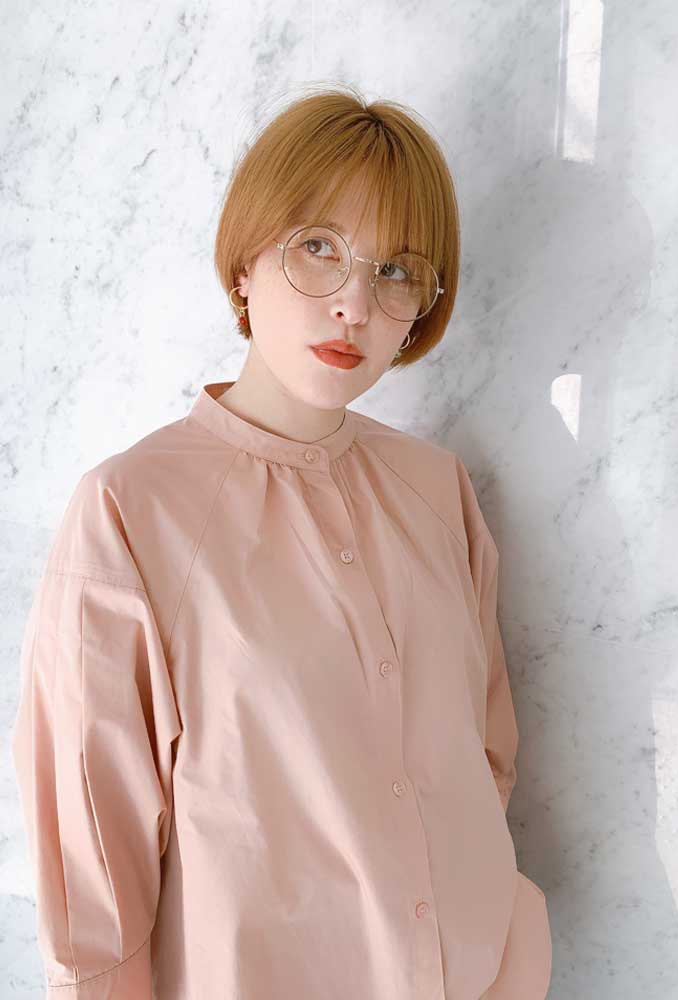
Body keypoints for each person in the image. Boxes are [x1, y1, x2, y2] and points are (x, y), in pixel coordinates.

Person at [9, 85, 552, 1000]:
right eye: (319, 247)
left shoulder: (438, 489)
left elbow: (483, 757)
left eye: (396, 270)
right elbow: (93, 855)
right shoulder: (130, 511)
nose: (354, 304)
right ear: (245, 266)